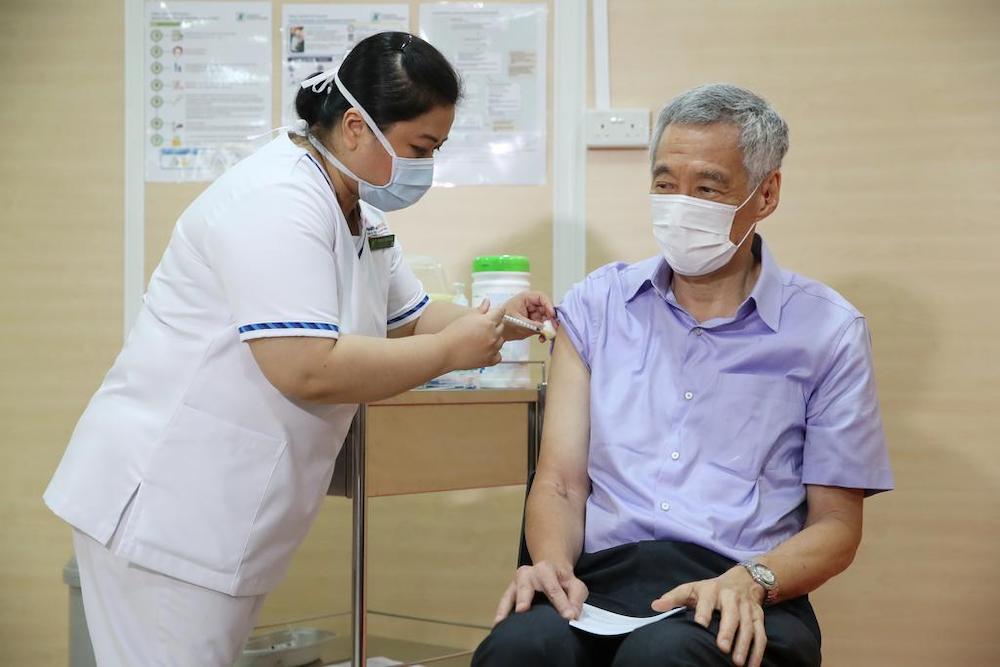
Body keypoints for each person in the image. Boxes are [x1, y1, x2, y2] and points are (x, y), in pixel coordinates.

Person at [44, 32, 554, 666]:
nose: (427, 168)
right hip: (165, 505)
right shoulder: (275, 201)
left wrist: (495, 322)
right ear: (353, 127)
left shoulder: (360, 213)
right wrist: (455, 352)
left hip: (221, 512)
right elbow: (305, 367)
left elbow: (410, 320)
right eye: (421, 149)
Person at [473, 84, 894, 667]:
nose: (680, 202)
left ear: (766, 193)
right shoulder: (597, 305)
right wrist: (552, 567)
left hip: (743, 588)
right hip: (603, 580)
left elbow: (837, 526)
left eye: (707, 187)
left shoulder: (827, 331)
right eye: (666, 184)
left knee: (663, 657)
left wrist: (752, 580)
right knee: (520, 648)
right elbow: (562, 484)